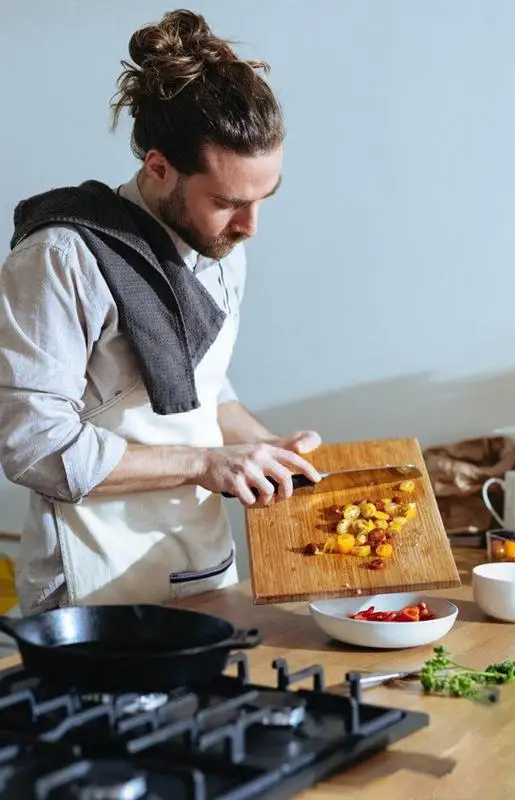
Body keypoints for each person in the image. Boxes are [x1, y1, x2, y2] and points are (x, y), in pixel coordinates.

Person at [0, 9, 322, 615]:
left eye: (263, 199)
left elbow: (203, 386)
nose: (250, 226)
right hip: (92, 579)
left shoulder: (222, 245)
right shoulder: (60, 259)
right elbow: (35, 446)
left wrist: (264, 448)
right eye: (229, 202)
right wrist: (206, 463)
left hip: (202, 566)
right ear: (158, 167)